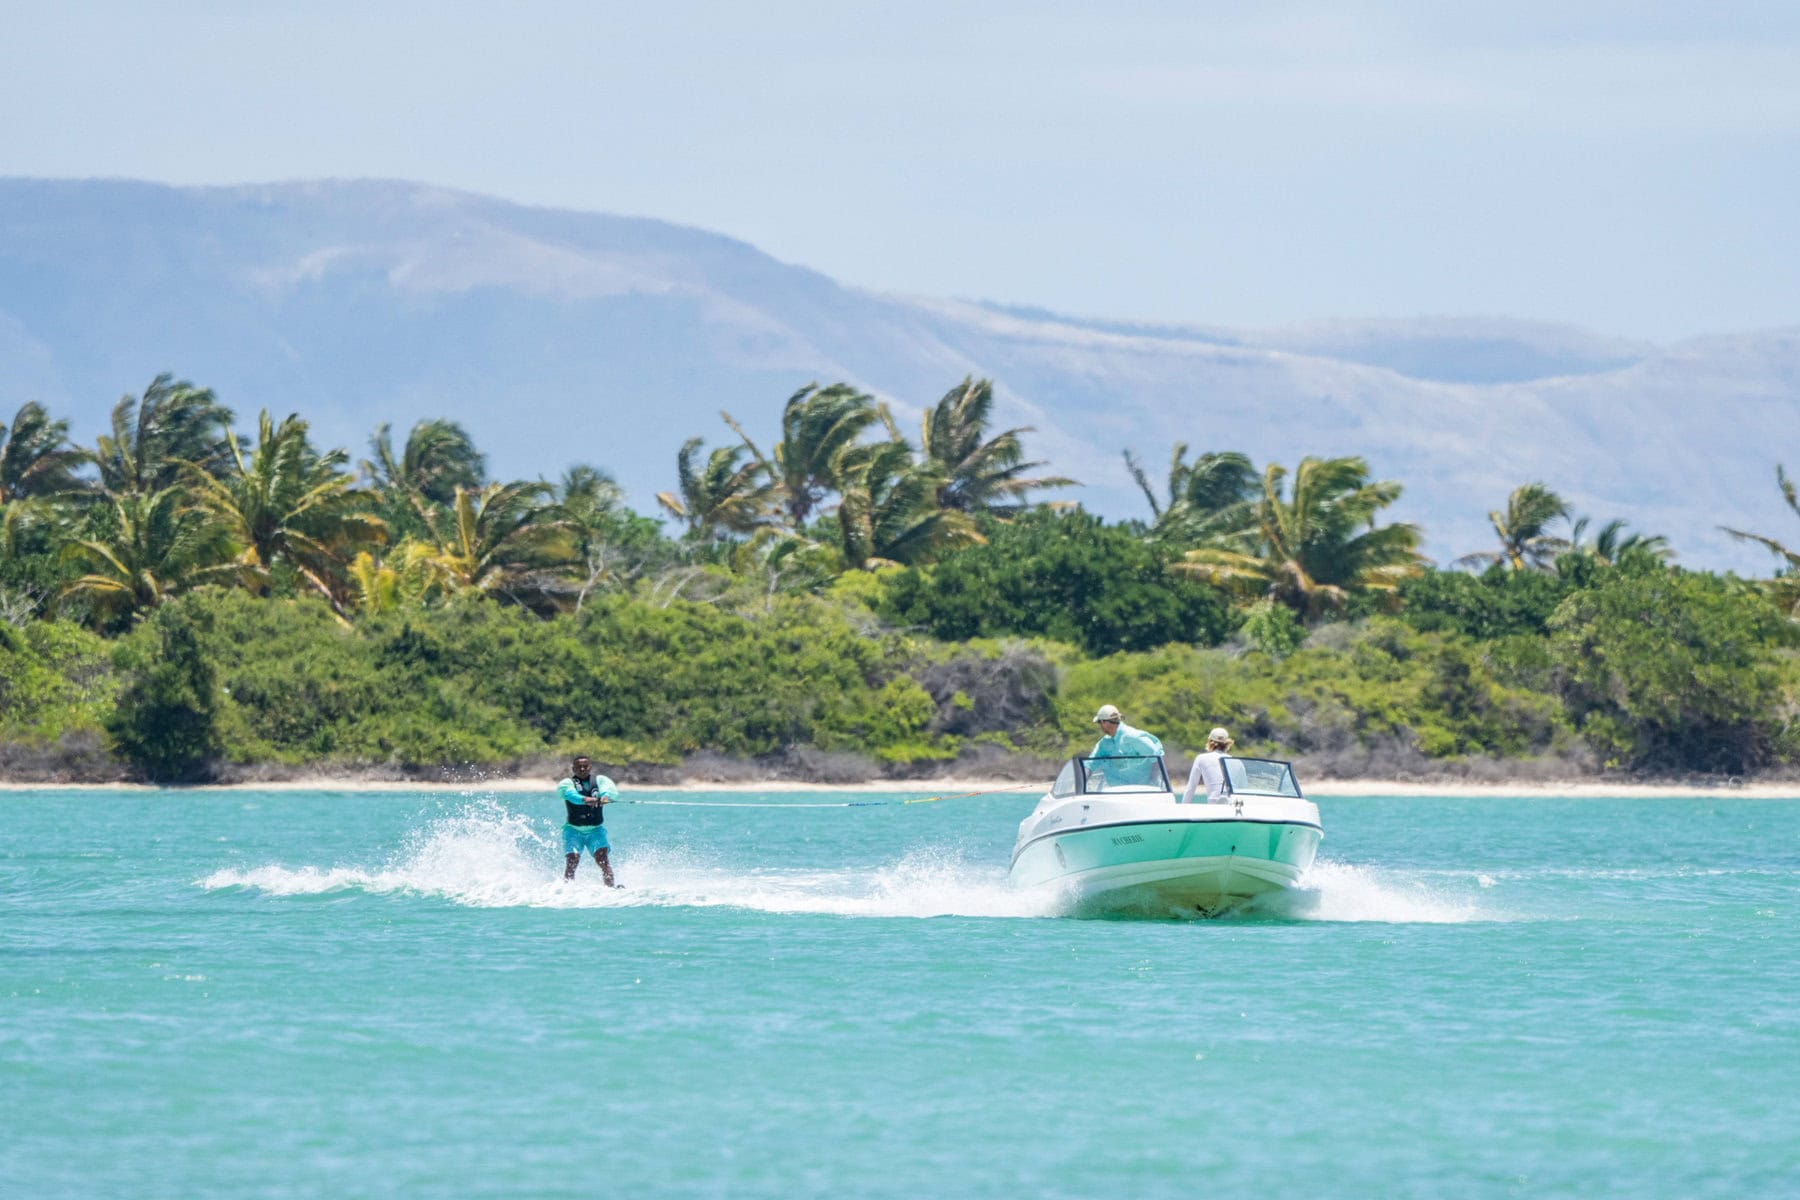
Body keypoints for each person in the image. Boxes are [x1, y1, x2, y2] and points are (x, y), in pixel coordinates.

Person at [560, 754, 622, 886]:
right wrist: (586, 799)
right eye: (579, 767)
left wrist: (605, 797)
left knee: (603, 860)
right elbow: (570, 795)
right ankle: (566, 889)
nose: (582, 769)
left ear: (590, 767)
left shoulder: (600, 780)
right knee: (572, 860)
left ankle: (610, 889)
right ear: (573, 768)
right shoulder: (567, 783)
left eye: (585, 766)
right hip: (573, 831)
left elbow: (610, 791)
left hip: (596, 831)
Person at [1089, 704, 1165, 786]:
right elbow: (1089, 765)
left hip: (1145, 792)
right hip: (1117, 795)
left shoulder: (1133, 736)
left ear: (1103, 722)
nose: (1100, 726)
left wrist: (1153, 784)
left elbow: (1156, 758)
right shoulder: (1103, 744)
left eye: (1099, 722)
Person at [1179, 727, 1235, 805]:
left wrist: (1183, 809)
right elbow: (1242, 788)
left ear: (1209, 742)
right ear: (1227, 744)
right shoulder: (1234, 761)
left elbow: (1191, 788)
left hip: (1213, 804)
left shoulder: (1201, 758)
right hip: (1232, 805)